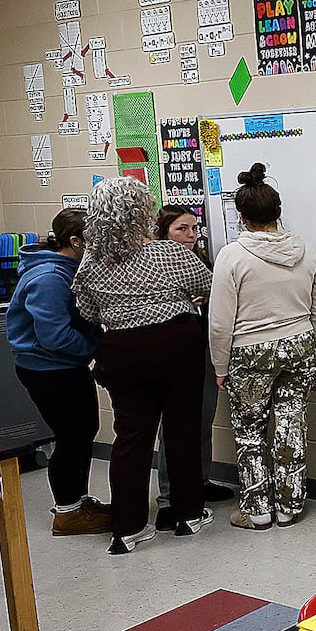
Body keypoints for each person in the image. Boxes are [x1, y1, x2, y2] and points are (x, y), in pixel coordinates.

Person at [73, 178, 214, 553]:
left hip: (121, 349)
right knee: (182, 429)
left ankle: (127, 528)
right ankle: (188, 514)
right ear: (143, 214)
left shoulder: (91, 263)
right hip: (175, 344)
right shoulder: (169, 253)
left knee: (130, 438)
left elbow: (87, 310)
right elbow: (205, 282)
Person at [209, 163, 316, 530]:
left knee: (249, 429)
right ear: (278, 212)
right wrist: (307, 342)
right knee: (291, 423)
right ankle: (291, 506)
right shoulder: (307, 252)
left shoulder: (232, 256)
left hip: (250, 351)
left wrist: (220, 367)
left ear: (242, 217)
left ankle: (258, 510)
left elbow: (219, 323)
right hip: (300, 344)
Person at [5, 209, 111, 536]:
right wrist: (99, 348)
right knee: (71, 436)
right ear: (75, 241)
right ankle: (67, 512)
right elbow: (54, 336)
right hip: (48, 369)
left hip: (65, 366)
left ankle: (78, 503)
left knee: (84, 431)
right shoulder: (50, 278)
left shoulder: (70, 270)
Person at [153, 204, 234, 531]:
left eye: (194, 228)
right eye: (181, 229)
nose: (190, 235)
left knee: (203, 419)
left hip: (201, 350)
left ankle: (200, 481)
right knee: (171, 427)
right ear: (165, 233)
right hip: (170, 354)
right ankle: (168, 498)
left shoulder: (202, 261)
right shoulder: (154, 263)